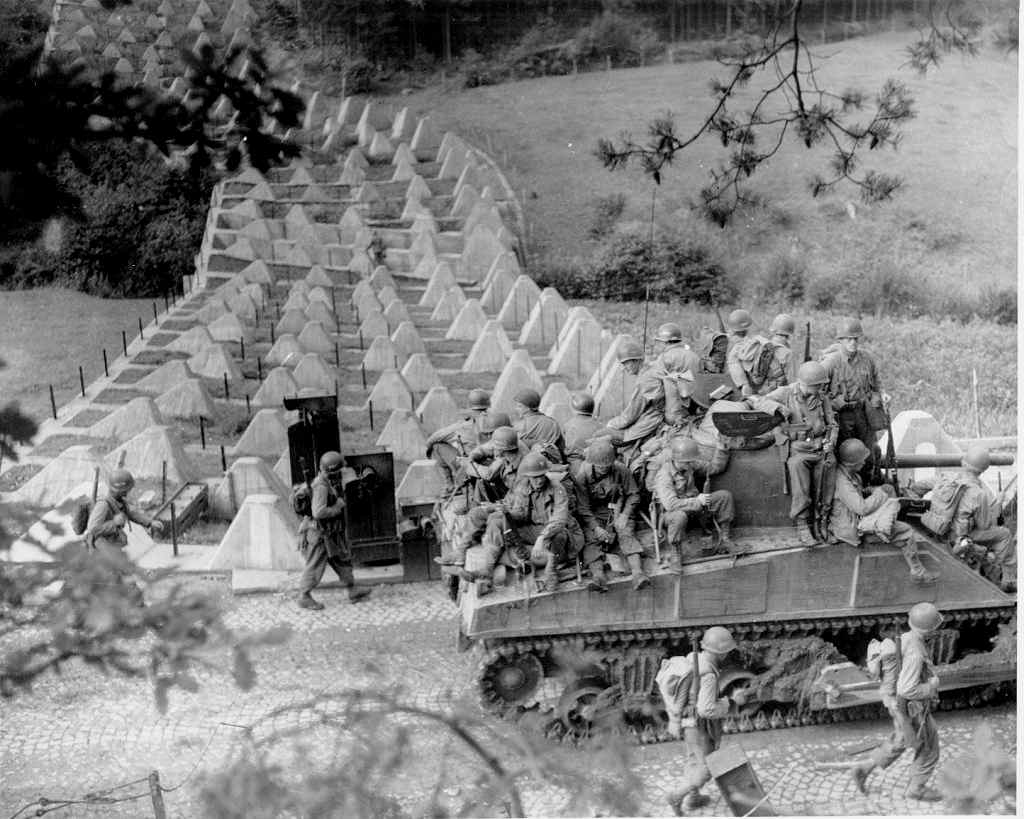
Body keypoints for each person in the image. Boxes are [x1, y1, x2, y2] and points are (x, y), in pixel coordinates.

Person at [848, 603, 945, 802]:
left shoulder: (908, 637)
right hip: (911, 706)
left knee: (901, 739)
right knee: (929, 746)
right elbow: (907, 689)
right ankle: (916, 789)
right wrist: (932, 686)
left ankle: (864, 768)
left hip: (898, 705)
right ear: (931, 629)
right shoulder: (916, 652)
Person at [658, 626, 748, 815]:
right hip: (699, 727)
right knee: (706, 768)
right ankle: (677, 796)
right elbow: (706, 709)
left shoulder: (694, 657)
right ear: (722, 653)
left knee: (693, 760)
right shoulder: (708, 675)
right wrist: (730, 702)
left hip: (687, 722)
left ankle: (694, 797)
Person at [751, 360, 838, 545]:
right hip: (798, 450)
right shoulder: (786, 393)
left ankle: (822, 520)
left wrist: (830, 442)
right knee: (798, 469)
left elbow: (832, 424)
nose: (821, 388)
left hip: (819, 446)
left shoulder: (822, 399)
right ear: (806, 384)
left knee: (829, 464)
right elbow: (759, 401)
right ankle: (802, 524)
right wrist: (778, 408)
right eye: (818, 385)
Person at [828, 440, 937, 584]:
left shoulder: (851, 475)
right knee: (906, 531)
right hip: (852, 527)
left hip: (854, 519)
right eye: (862, 460)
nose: (864, 462)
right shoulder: (842, 481)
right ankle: (918, 572)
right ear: (853, 463)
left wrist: (873, 490)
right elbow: (862, 508)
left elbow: (857, 494)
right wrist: (880, 493)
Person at [297, 451, 372, 610]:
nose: (340, 474)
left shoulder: (326, 482)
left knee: (341, 560)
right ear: (331, 471)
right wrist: (337, 507)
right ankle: (304, 595)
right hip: (320, 535)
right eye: (338, 471)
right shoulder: (321, 486)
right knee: (315, 565)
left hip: (330, 533)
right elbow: (318, 512)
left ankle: (352, 589)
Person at [572, 439, 650, 591]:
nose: (604, 469)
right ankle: (598, 577)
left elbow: (634, 495)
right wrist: (595, 528)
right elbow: (583, 508)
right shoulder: (583, 476)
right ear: (593, 463)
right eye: (600, 466)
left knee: (626, 533)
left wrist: (625, 515)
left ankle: (638, 574)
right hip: (596, 515)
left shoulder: (621, 470)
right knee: (591, 540)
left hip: (619, 510)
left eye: (607, 466)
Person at [504, 452, 584, 592]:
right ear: (527, 477)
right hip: (535, 528)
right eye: (534, 477)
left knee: (559, 535)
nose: (539, 481)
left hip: (560, 532)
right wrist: (507, 513)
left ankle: (552, 568)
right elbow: (521, 516)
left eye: (541, 476)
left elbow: (559, 520)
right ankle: (518, 558)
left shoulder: (557, 488)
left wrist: (541, 538)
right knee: (506, 531)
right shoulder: (523, 487)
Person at [654, 437, 735, 571]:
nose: (691, 463)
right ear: (678, 459)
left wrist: (722, 448)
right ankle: (675, 554)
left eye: (691, 460)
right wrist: (697, 501)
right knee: (679, 516)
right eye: (688, 461)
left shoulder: (689, 465)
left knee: (724, 497)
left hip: (694, 507)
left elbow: (714, 468)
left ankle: (725, 540)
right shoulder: (664, 475)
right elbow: (670, 505)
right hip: (672, 514)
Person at [605, 347, 701, 455]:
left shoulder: (646, 379)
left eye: (626, 363)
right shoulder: (653, 369)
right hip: (668, 413)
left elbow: (631, 414)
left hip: (655, 419)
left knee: (613, 437)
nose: (624, 368)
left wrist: (611, 424)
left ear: (636, 361)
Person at [822, 318, 886, 481]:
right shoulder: (830, 362)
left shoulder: (867, 359)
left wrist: (881, 394)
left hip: (863, 413)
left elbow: (876, 382)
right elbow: (819, 391)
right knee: (844, 453)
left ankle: (865, 484)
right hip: (841, 415)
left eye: (856, 339)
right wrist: (832, 404)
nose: (853, 343)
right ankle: (846, 488)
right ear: (841, 340)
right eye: (848, 339)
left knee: (868, 452)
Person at [948, 445, 1017, 593]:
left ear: (963, 462)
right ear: (983, 470)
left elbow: (920, 486)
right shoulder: (979, 493)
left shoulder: (948, 478)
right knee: (1004, 534)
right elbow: (985, 525)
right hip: (964, 536)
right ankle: (1006, 579)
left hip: (945, 528)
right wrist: (998, 502)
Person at [425, 397, 508, 495]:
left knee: (437, 447)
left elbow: (433, 438)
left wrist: (468, 461)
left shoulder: (462, 426)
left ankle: (451, 485)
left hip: (481, 468)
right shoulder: (496, 420)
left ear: (470, 408)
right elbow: (486, 449)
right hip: (484, 464)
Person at [85, 468, 165, 553]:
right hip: (101, 550)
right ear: (119, 490)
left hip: (112, 544)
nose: (128, 492)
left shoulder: (119, 501)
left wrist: (150, 522)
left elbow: (131, 514)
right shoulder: (103, 505)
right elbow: (92, 530)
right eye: (126, 490)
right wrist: (114, 523)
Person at [467, 425, 527, 501]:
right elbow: (484, 448)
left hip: (516, 495)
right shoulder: (509, 442)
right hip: (509, 486)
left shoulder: (514, 459)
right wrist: (473, 455)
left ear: (502, 450)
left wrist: (468, 466)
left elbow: (488, 474)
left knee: (483, 481)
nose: (494, 449)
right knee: (481, 482)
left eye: (496, 448)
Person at [512, 388, 565, 461]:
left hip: (529, 466)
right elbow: (561, 448)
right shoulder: (553, 423)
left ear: (528, 408)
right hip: (553, 464)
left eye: (519, 406)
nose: (516, 409)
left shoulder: (519, 426)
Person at [563, 391, 604, 466]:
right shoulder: (600, 425)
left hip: (574, 463)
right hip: (595, 463)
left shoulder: (568, 425)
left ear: (574, 409)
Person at [764, 313, 795, 391]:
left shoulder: (764, 347)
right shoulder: (788, 354)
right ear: (788, 335)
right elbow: (793, 383)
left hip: (759, 392)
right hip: (776, 394)